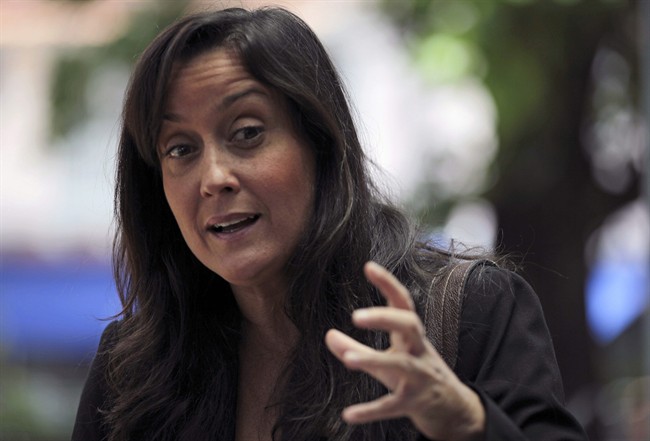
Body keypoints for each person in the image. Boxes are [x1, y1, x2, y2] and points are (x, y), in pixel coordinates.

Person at [72, 6, 587, 441]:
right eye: (181, 149)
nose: (214, 178)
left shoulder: (470, 309)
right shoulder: (131, 369)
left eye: (247, 133)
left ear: (320, 146)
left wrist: (465, 420)